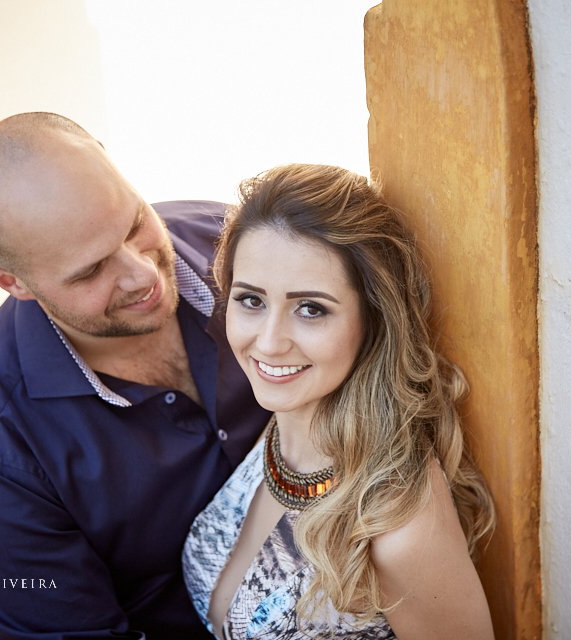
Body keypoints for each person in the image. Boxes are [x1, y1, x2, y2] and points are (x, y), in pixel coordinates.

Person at [0, 112, 270, 639]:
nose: (143, 274)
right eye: (91, 271)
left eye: (134, 225)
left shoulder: (239, 245)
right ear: (10, 281)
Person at [182, 164, 497, 639]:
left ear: (372, 318)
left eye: (311, 309)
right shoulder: (281, 418)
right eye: (251, 300)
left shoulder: (396, 524)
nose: (269, 343)